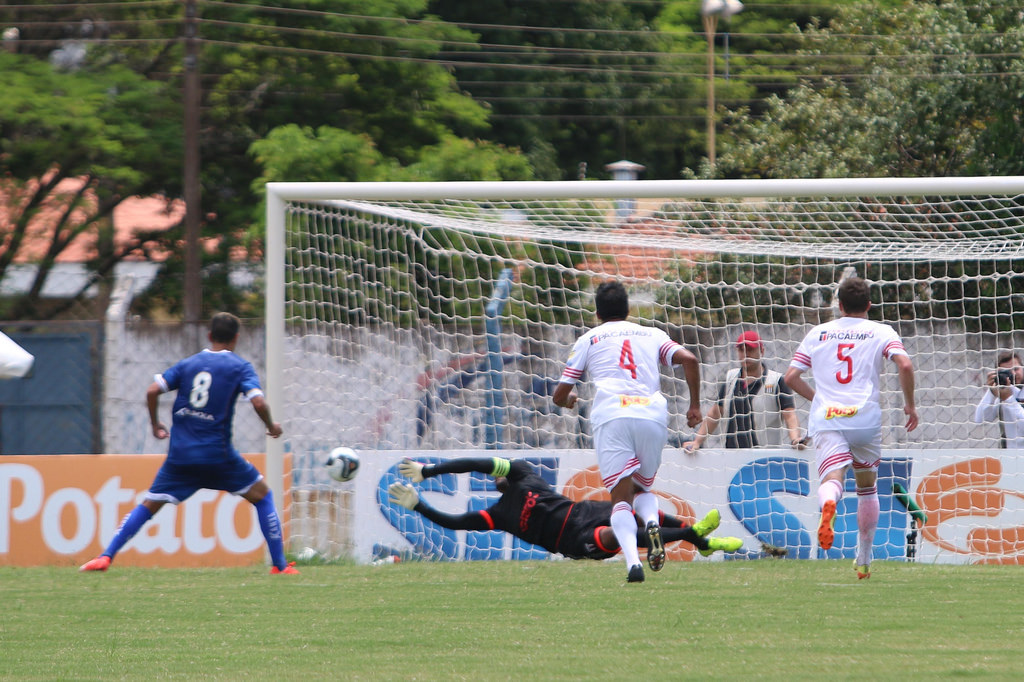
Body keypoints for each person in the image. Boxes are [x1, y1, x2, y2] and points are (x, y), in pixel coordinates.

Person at [80, 312, 294, 574]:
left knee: (149, 505)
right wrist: (271, 426)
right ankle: (280, 567)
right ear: (236, 338)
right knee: (263, 496)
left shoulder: (188, 364)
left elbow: (151, 390)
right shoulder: (240, 367)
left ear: (209, 336)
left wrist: (155, 424)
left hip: (180, 458)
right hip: (219, 457)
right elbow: (258, 402)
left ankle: (105, 556)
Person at [550, 280, 703, 583]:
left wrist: (569, 402)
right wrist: (694, 406)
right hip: (651, 414)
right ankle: (650, 520)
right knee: (642, 489)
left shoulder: (590, 339)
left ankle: (633, 563)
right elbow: (690, 359)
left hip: (613, 416)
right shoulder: (653, 334)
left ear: (597, 312)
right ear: (628, 309)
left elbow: (560, 393)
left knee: (620, 499)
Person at [783, 277, 918, 580]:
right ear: (869, 305)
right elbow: (905, 365)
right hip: (865, 417)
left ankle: (829, 503)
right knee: (867, 486)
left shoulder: (818, 333)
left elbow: (790, 377)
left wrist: (820, 399)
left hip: (829, 417)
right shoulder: (881, 331)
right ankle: (864, 559)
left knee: (833, 478)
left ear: (839, 305)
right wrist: (909, 405)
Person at [389, 456, 742, 563]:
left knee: (632, 505)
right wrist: (418, 503)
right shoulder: (497, 516)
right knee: (614, 534)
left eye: (494, 473)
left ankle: (695, 537)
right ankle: (693, 536)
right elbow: (453, 521)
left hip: (583, 511)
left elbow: (476, 462)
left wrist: (429, 471)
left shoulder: (523, 473)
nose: (492, 475)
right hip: (574, 541)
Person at [683, 330, 807, 453]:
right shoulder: (731, 379)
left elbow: (789, 415)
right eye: (742, 350)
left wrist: (795, 439)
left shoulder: (776, 381)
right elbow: (715, 413)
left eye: (750, 349)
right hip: (732, 456)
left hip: (764, 457)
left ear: (762, 351)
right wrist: (697, 441)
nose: (746, 354)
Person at [972, 352, 1024, 449]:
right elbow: (980, 420)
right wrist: (991, 392)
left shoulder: (1007, 396)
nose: (1013, 374)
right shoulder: (1003, 394)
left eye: (1016, 369)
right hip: (1010, 457)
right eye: (1006, 371)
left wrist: (1009, 399)